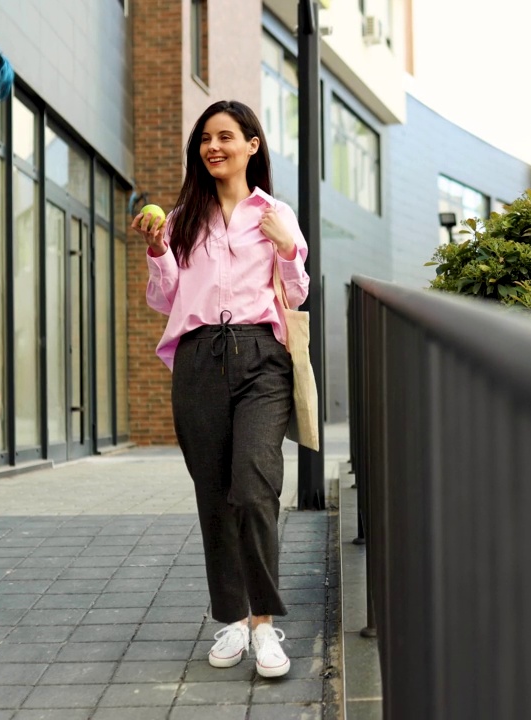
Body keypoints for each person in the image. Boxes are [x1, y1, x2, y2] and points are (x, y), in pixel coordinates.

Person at [132, 100, 309, 679]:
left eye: (226, 136)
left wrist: (287, 247)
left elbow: (298, 292)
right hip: (199, 357)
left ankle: (263, 624)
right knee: (214, 494)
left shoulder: (275, 213)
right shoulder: (183, 217)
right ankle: (230, 617)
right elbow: (165, 299)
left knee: (256, 488)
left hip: (261, 356)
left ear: (251, 145)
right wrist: (158, 250)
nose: (213, 146)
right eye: (205, 138)